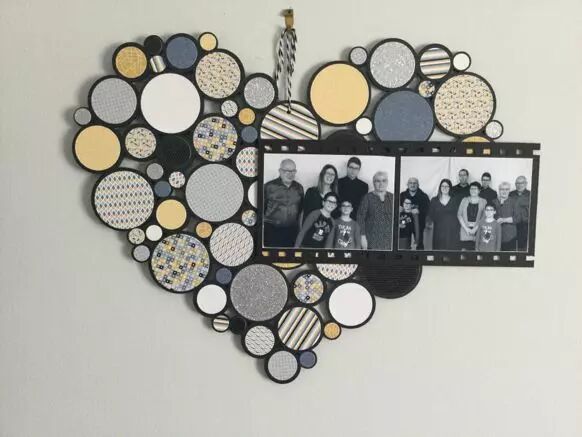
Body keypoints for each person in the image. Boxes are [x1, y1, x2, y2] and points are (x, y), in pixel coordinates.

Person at [263, 159, 304, 247]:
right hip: (271, 231)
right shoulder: (268, 186)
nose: (290, 174)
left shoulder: (299, 188)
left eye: (293, 171)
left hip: (292, 232)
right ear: (280, 171)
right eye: (287, 171)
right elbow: (262, 208)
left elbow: (300, 210)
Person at [357, 171, 394, 250]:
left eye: (384, 181)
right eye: (378, 181)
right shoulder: (367, 198)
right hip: (371, 241)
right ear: (373, 183)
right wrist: (362, 237)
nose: (381, 184)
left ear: (387, 182)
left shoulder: (392, 197)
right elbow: (360, 218)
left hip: (389, 241)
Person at [427, 179, 460, 250]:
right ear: (440, 187)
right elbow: (430, 215)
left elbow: (459, 215)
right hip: (438, 231)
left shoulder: (455, 200)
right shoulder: (434, 200)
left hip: (452, 231)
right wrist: (429, 224)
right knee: (439, 251)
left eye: (447, 186)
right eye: (443, 186)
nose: (444, 188)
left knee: (451, 251)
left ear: (450, 188)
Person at [399, 177, 430, 249]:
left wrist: (420, 210)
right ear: (407, 184)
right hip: (405, 223)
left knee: (419, 244)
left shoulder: (423, 196)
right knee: (404, 245)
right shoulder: (402, 195)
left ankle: (419, 255)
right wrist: (399, 208)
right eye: (410, 183)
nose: (412, 185)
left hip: (418, 223)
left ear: (418, 185)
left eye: (414, 183)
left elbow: (428, 209)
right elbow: (397, 208)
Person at [457, 182, 487, 250]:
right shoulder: (464, 200)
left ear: (479, 191)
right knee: (464, 252)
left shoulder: (484, 201)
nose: (473, 190)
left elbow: (484, 217)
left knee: (477, 252)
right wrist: (466, 228)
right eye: (471, 189)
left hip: (478, 230)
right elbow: (459, 215)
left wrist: (475, 229)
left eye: (475, 189)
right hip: (465, 230)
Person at [493, 182, 519, 251]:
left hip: (510, 237)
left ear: (509, 191)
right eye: (502, 189)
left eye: (506, 189)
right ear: (499, 190)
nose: (504, 191)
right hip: (495, 236)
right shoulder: (494, 202)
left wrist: (503, 220)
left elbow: (518, 218)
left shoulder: (514, 202)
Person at [510, 176, 530, 251]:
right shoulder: (511, 194)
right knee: (511, 247)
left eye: (522, 183)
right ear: (515, 184)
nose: (519, 185)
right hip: (512, 225)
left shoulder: (530, 194)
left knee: (522, 248)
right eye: (517, 183)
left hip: (524, 225)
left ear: (526, 184)